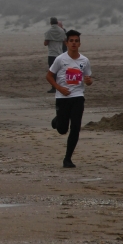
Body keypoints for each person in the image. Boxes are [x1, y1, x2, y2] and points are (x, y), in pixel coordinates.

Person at [47, 29, 93, 168]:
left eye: (76, 41)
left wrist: (88, 81)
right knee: (62, 129)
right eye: (71, 41)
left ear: (79, 43)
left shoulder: (84, 61)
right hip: (62, 97)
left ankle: (67, 159)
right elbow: (49, 76)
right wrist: (59, 88)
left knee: (75, 128)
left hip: (78, 97)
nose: (74, 43)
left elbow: (88, 80)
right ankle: (57, 120)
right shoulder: (60, 59)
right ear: (66, 43)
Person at [44, 17, 67, 93]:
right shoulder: (61, 31)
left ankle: (54, 87)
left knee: (52, 71)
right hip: (60, 53)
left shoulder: (48, 31)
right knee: (60, 70)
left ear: (50, 23)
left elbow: (46, 43)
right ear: (57, 23)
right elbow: (64, 42)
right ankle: (61, 85)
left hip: (51, 53)